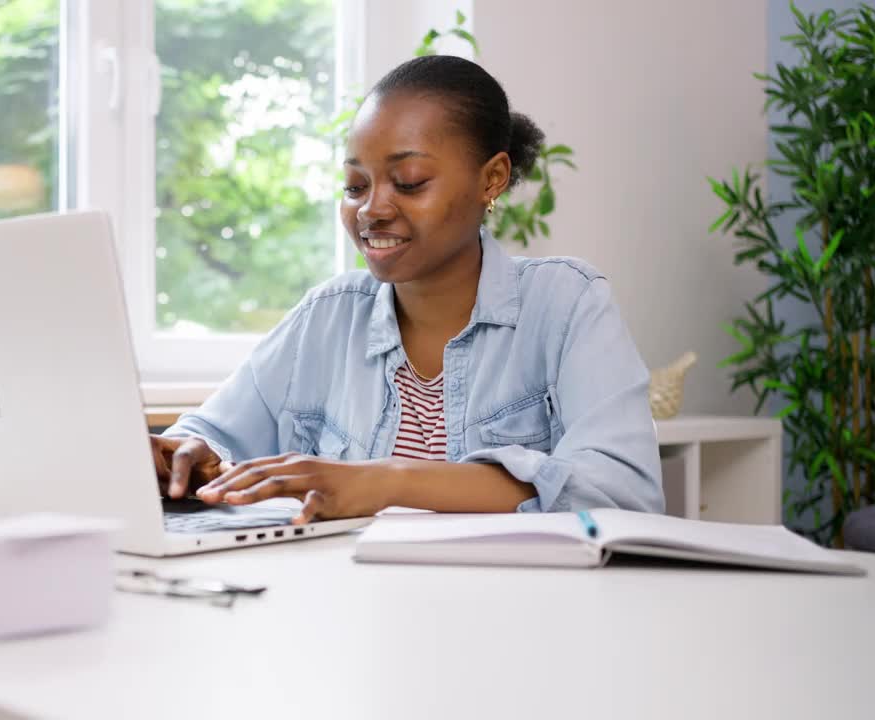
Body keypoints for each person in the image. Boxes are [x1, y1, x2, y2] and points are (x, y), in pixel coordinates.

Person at [150, 55, 663, 525]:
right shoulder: (328, 317)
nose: (371, 209)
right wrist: (185, 455)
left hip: (515, 611)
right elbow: (213, 433)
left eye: (410, 181)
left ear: (493, 179)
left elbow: (621, 491)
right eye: (355, 186)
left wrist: (384, 483)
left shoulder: (566, 302)